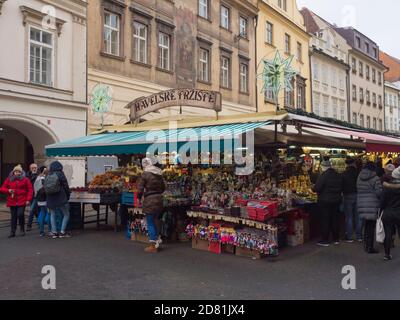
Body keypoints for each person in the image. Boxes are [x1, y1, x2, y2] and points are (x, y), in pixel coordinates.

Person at [312, 159, 343, 247]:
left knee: (326, 219)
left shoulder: (323, 176)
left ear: (323, 167)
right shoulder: (338, 175)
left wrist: (313, 188)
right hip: (336, 200)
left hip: (325, 201)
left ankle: (325, 240)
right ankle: (336, 238)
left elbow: (316, 188)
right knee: (335, 219)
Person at [138, 158, 166, 253]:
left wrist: (139, 197)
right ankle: (158, 242)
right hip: (159, 200)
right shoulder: (159, 174)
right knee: (156, 221)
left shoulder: (145, 174)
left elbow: (140, 189)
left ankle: (153, 245)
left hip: (150, 200)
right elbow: (163, 188)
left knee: (150, 222)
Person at [0, 165, 33, 238]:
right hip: (12, 200)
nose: (17, 173)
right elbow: (2, 188)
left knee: (20, 214)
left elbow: (30, 189)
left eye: (19, 172)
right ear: (13, 172)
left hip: (22, 200)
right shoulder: (9, 179)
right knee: (13, 217)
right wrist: (8, 190)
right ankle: (12, 231)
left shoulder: (25, 179)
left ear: (21, 172)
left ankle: (22, 228)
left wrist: (28, 199)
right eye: (16, 171)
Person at [357, 161, 383, 254]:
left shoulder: (359, 177)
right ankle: (369, 247)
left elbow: (358, 188)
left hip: (361, 203)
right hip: (372, 205)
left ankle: (365, 244)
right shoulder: (375, 178)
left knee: (366, 225)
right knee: (371, 226)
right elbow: (379, 192)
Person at [45, 161, 71, 239]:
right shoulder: (60, 174)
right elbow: (65, 186)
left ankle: (54, 232)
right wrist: (68, 196)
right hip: (60, 197)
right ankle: (62, 232)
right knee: (66, 214)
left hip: (50, 197)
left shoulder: (48, 174)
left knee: (52, 214)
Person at [380, 167, 400, 261]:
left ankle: (387, 254)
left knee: (387, 233)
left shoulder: (387, 187)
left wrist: (382, 209)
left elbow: (382, 202)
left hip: (388, 212)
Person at [342, 157, 362, 243]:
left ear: (346, 164)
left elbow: (341, 185)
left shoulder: (344, 174)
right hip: (358, 195)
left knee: (349, 217)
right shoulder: (359, 173)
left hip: (347, 195)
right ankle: (359, 236)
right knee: (358, 217)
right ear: (354, 163)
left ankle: (349, 237)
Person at [34, 166, 50, 237]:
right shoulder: (44, 178)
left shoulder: (37, 178)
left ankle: (41, 231)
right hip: (45, 198)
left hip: (39, 198)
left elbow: (35, 188)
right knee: (49, 214)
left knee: (42, 213)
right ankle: (50, 230)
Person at [26, 163, 38, 231]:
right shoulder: (27, 175)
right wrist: (33, 175)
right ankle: (39, 221)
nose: (34, 169)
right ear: (30, 169)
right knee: (34, 209)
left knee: (32, 209)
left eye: (35, 168)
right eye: (32, 168)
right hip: (30, 195)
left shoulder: (39, 174)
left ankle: (29, 225)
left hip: (36, 195)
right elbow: (28, 183)